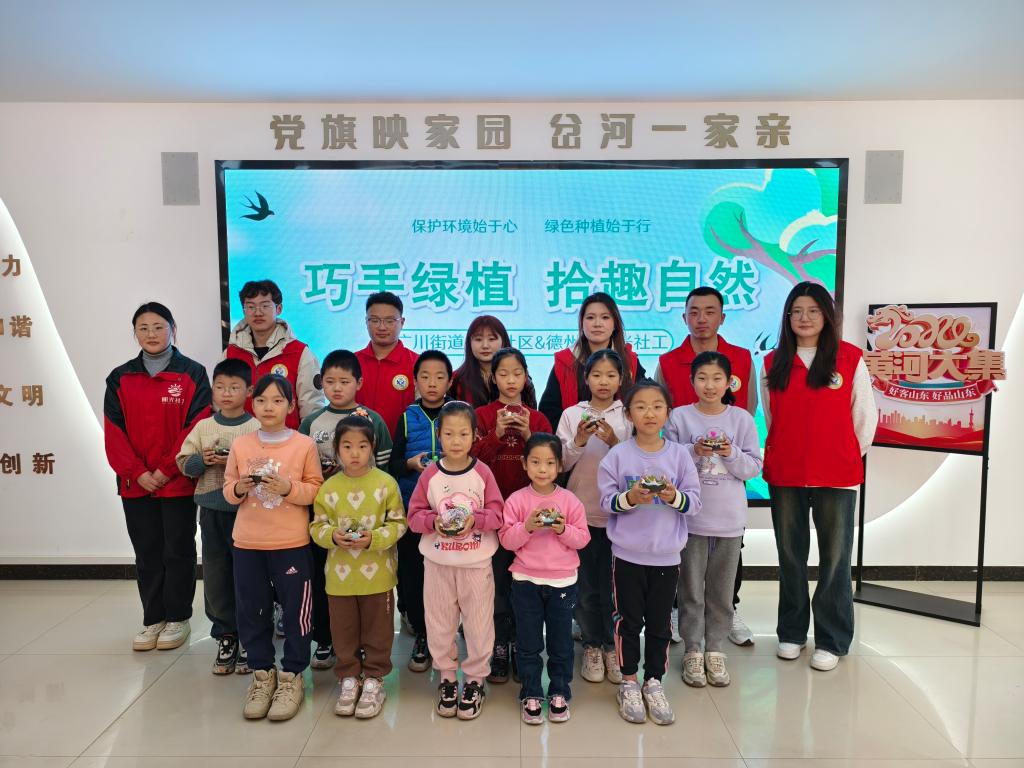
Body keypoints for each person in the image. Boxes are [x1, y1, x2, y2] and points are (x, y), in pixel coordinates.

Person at [760, 282, 876, 672]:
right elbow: (773, 419)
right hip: (786, 473)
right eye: (796, 311)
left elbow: (864, 419)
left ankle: (831, 639)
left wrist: (838, 454)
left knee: (835, 559)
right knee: (790, 557)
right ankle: (792, 633)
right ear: (787, 317)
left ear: (827, 315)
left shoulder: (849, 358)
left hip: (837, 474)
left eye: (812, 310)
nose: (804, 318)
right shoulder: (772, 362)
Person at [104, 302, 211, 652]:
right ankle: (153, 618)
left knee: (178, 550)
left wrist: (166, 470)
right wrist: (137, 472)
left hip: (177, 481)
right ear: (135, 333)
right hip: (136, 485)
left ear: (173, 330)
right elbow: (114, 432)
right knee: (147, 552)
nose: (151, 334)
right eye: (143, 328)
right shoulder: (120, 378)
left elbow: (196, 427)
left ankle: (178, 617)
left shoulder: (192, 374)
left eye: (159, 327)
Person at [653, 285, 758, 646]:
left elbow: (749, 410)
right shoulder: (668, 361)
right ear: (684, 317)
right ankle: (678, 611)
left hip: (726, 488)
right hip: (684, 484)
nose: (701, 319)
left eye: (710, 311)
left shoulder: (741, 358)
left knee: (728, 554)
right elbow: (660, 416)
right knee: (685, 555)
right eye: (694, 312)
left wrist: (730, 450)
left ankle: (729, 609)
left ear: (722, 317)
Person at [598, 380, 701, 726]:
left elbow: (694, 503)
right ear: (628, 415)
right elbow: (606, 502)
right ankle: (628, 681)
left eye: (657, 406)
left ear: (668, 413)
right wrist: (631, 498)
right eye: (640, 407)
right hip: (627, 556)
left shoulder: (680, 455)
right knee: (628, 622)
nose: (649, 413)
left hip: (667, 557)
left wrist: (672, 496)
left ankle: (653, 680)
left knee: (660, 623)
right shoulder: (618, 456)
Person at [222, 374, 323, 721]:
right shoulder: (241, 445)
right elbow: (228, 489)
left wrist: (288, 488)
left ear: (291, 405)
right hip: (248, 542)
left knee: (297, 613)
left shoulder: (304, 445)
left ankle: (292, 675)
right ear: (252, 403)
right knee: (252, 611)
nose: (269, 407)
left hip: (291, 543)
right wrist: (239, 488)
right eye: (262, 400)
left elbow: (315, 489)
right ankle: (262, 674)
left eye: (278, 400)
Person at [664, 352, 762, 688]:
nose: (709, 385)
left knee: (721, 591)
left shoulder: (741, 420)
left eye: (717, 378)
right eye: (702, 378)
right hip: (691, 520)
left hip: (730, 520)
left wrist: (729, 452)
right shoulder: (679, 417)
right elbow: (668, 463)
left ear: (729, 382)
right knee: (690, 590)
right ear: (692, 381)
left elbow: (753, 467)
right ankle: (693, 649)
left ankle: (715, 649)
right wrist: (695, 451)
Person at [407, 401, 504, 721]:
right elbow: (414, 517)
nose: (456, 440)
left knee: (479, 624)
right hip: (438, 564)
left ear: (475, 435)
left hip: (476, 564)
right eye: (449, 434)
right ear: (439, 435)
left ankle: (475, 680)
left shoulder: (482, 472)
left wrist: (475, 520)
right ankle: (447, 678)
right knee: (439, 624)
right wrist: (433, 522)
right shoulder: (430, 474)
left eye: (463, 433)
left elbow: (498, 514)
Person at [300, 349, 393, 671]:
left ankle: (370, 653)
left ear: (359, 383)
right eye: (330, 381)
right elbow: (302, 466)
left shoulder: (373, 420)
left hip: (370, 515)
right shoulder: (311, 422)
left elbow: (384, 466)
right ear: (321, 383)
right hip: (325, 512)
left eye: (344, 381)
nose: (337, 388)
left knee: (371, 595)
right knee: (323, 580)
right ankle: (326, 640)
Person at [309, 415, 407, 720]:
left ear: (372, 447)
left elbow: (399, 524)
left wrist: (374, 538)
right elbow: (316, 527)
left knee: (378, 631)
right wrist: (332, 536)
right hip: (339, 579)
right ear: (337, 449)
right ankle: (349, 678)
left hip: (378, 576)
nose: (355, 453)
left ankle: (375, 679)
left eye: (362, 446)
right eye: (347, 446)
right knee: (343, 632)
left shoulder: (386, 483)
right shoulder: (329, 488)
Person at [175, 358, 259, 674]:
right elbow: (184, 463)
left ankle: (251, 634)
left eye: (234, 387)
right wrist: (203, 460)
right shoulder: (204, 427)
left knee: (249, 574)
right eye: (220, 386)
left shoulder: (256, 427)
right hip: (211, 509)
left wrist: (236, 465)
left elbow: (265, 467)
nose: (226, 393)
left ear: (249, 391)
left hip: (248, 511)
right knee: (216, 573)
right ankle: (226, 635)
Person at [500, 433, 590, 725]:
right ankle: (531, 692)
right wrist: (527, 526)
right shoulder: (517, 500)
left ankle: (559, 691)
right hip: (526, 580)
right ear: (524, 464)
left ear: (560, 466)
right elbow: (506, 541)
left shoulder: (569, 500)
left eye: (550, 463)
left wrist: (563, 529)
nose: (543, 469)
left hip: (563, 582)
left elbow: (582, 539)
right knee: (528, 642)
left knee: (561, 643)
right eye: (536, 462)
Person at [473, 347, 550, 684]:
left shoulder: (539, 418)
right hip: (493, 514)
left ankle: (523, 645)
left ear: (526, 376)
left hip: (531, 517)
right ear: (493, 378)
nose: (510, 380)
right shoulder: (482, 415)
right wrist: (497, 434)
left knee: (527, 584)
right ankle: (499, 645)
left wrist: (530, 435)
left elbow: (550, 463)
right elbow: (472, 462)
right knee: (497, 584)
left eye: (517, 373)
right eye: (503, 374)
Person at [555, 349, 630, 686]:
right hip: (580, 513)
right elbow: (561, 464)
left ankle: (612, 647)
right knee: (585, 586)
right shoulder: (572, 414)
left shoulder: (628, 414)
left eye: (611, 375)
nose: (603, 381)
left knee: (613, 587)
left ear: (621, 379)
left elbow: (635, 464)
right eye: (596, 375)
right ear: (585, 379)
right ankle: (591, 645)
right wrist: (580, 439)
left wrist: (614, 441)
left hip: (620, 515)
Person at [388, 350, 453, 674]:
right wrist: (410, 464)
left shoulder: (459, 414)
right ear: (415, 382)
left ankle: (445, 635)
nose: (432, 383)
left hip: (451, 511)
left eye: (439, 377)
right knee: (413, 574)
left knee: (446, 578)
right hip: (414, 508)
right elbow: (393, 464)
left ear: (450, 381)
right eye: (425, 377)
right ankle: (422, 634)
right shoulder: (406, 416)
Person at [224, 279, 323, 430]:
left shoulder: (299, 352)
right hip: (240, 440)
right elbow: (221, 402)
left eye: (265, 306)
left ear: (279, 308)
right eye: (250, 306)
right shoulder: (230, 353)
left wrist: (305, 442)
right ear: (244, 311)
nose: (258, 312)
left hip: (288, 441)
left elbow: (312, 408)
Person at [539, 292, 644, 430]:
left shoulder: (629, 361)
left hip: (621, 440)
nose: (597, 324)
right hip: (575, 439)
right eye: (590, 317)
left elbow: (644, 404)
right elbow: (548, 412)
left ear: (615, 324)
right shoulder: (566, 362)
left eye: (605, 317)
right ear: (581, 324)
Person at [354, 291, 419, 435]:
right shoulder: (351, 362)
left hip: (404, 446)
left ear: (402, 322)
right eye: (375, 320)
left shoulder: (417, 364)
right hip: (357, 444)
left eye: (389, 321)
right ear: (366, 321)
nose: (382, 327)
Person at [450, 315, 511, 407]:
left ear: (503, 341)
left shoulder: (518, 377)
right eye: (478, 339)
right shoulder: (456, 379)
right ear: (469, 343)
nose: (485, 345)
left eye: (491, 339)